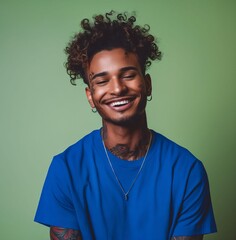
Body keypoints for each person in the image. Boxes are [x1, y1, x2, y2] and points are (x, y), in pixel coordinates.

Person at [34, 11, 217, 240]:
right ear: (90, 96)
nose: (118, 89)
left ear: (147, 85)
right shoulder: (67, 169)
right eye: (102, 81)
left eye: (128, 75)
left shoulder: (186, 171)